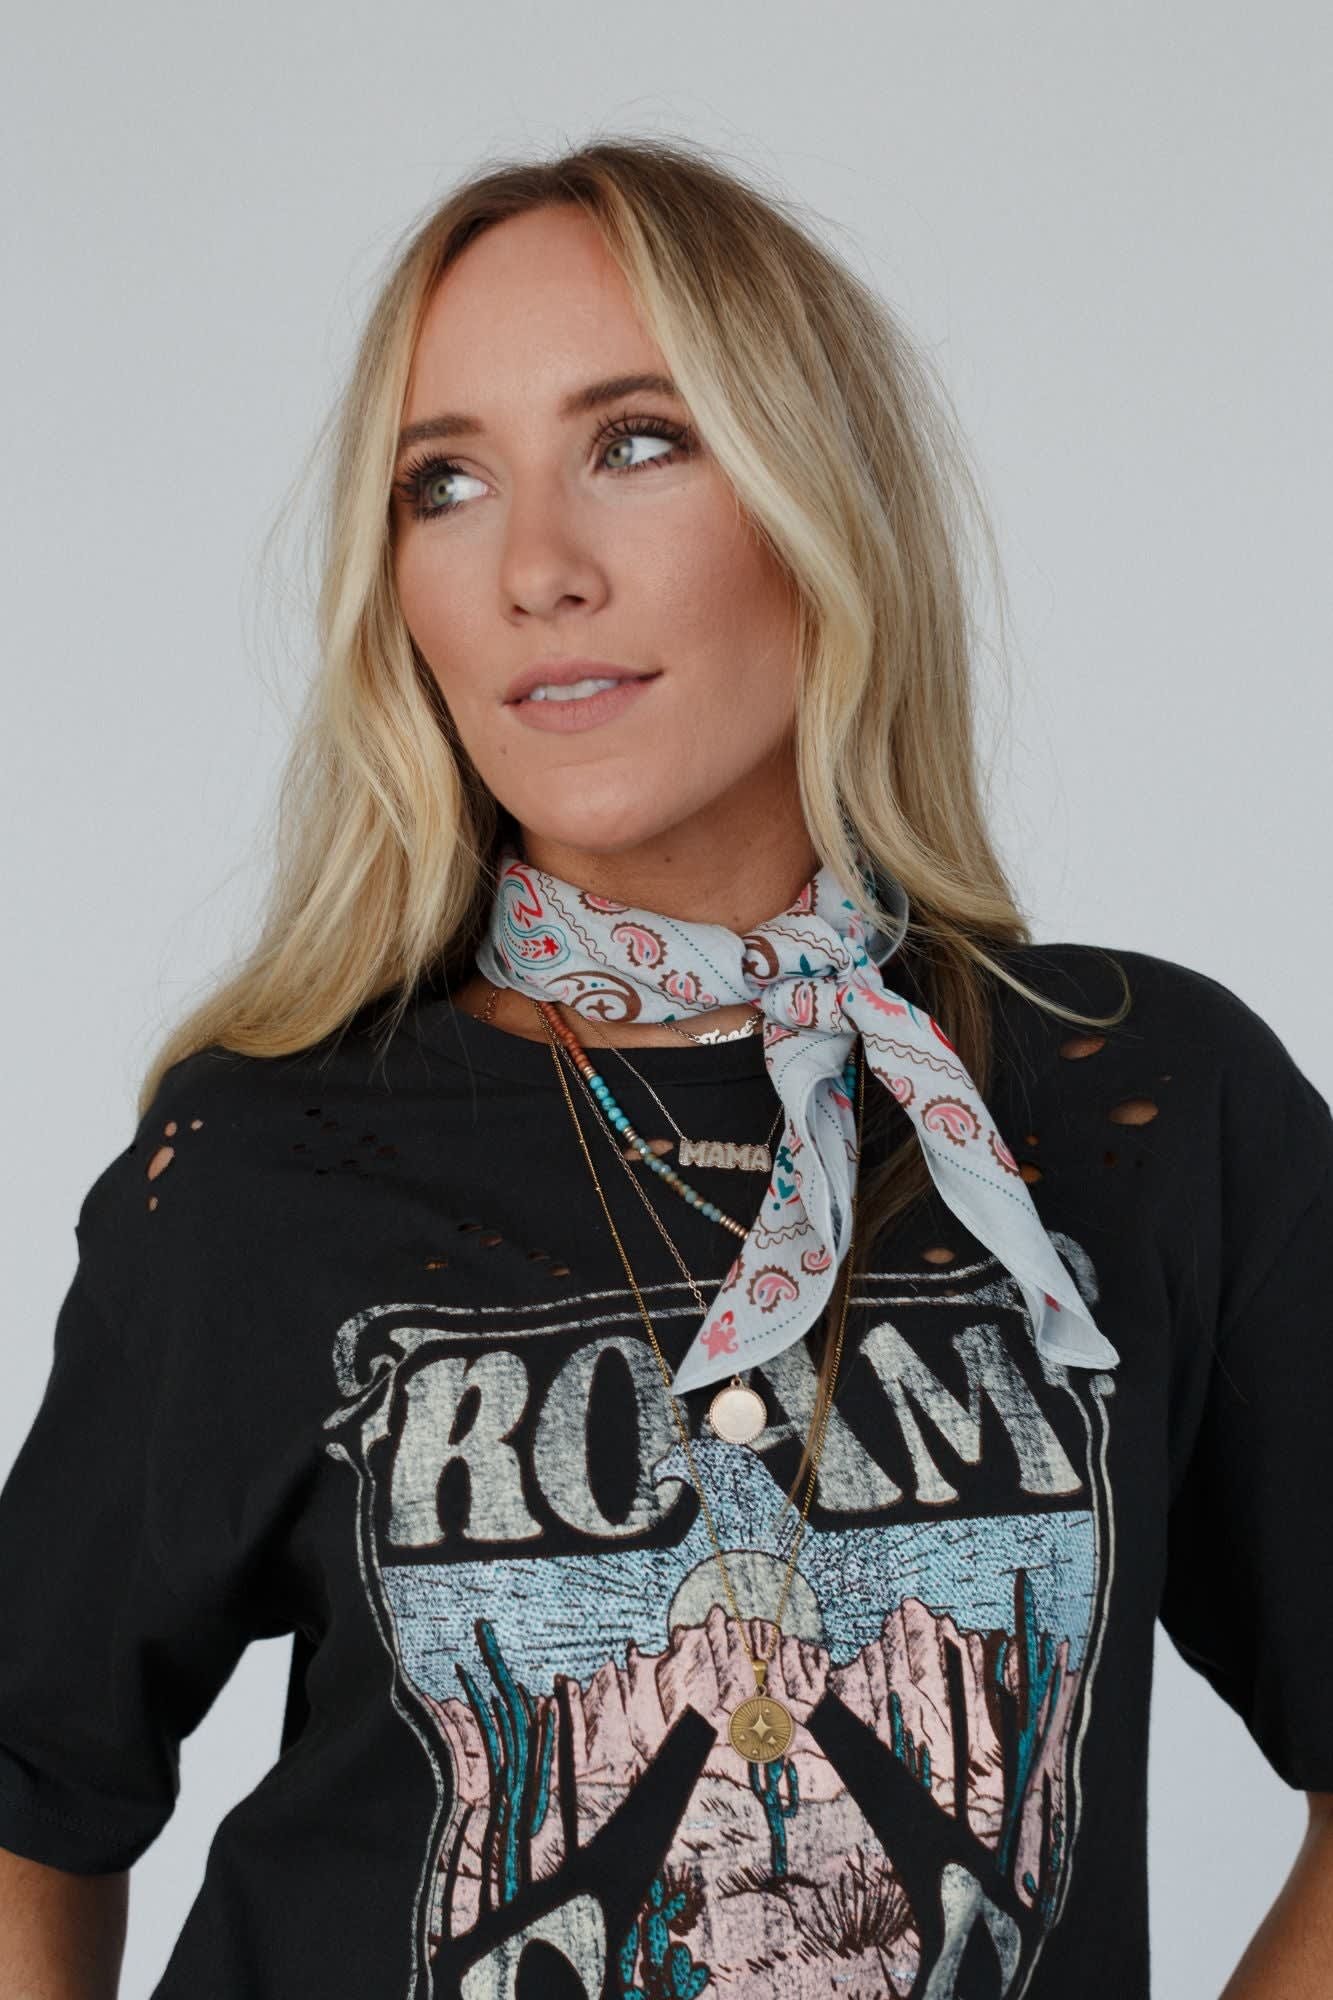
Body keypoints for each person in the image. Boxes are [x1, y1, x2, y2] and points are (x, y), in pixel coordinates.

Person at [1, 137, 1330, 2000]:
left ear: (816, 495)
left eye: (635, 443)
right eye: (444, 483)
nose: (535, 570)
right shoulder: (266, 1145)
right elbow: (30, 1794)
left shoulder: (1136, 1100)